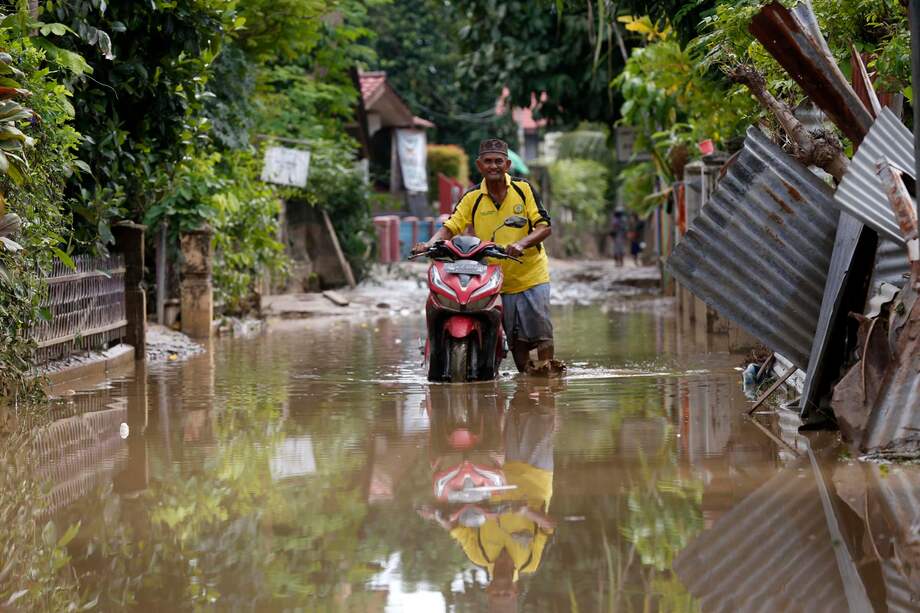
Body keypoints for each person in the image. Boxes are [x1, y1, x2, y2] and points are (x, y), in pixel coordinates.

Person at [412, 138, 554, 373]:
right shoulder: (472, 197)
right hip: (495, 280)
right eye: (488, 161)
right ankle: (528, 382)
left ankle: (548, 380)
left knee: (541, 335)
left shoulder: (524, 189)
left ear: (507, 164)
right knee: (516, 341)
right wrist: (428, 244)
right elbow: (451, 226)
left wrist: (521, 243)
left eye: (499, 161)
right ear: (479, 166)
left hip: (531, 275)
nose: (493, 166)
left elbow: (544, 226)